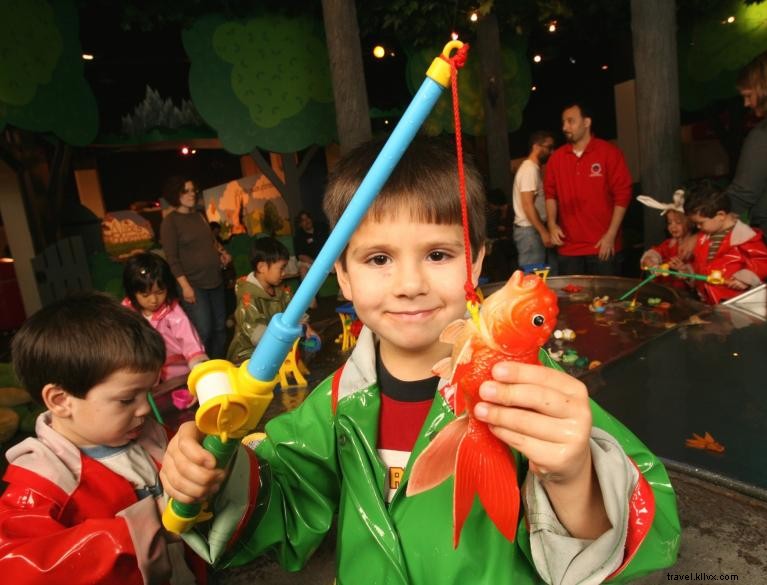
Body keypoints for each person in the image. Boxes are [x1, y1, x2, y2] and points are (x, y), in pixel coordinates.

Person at [160, 137, 680, 585]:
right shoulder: (337, 401)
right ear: (342, 275)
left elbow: (630, 527)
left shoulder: (528, 388)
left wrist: (573, 476)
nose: (410, 286)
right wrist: (211, 473)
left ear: (475, 260)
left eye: (438, 254)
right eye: (378, 258)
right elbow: (283, 497)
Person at [0, 292, 206, 584]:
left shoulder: (149, 434)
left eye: (147, 392)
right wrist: (144, 531)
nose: (146, 408)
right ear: (60, 401)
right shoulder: (44, 481)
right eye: (126, 399)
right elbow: (16, 565)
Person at [544, 102, 633, 275]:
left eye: (571, 121)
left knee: (607, 301)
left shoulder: (609, 152)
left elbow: (623, 195)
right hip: (568, 248)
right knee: (572, 301)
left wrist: (611, 235)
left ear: (587, 122)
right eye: (563, 122)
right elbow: (550, 194)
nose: (565, 127)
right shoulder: (556, 158)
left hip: (602, 246)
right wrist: (552, 225)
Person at [160, 176, 230, 359]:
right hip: (194, 286)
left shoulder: (199, 216)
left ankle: (218, 367)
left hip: (215, 280)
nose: (192, 194)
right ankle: (202, 372)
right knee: (203, 331)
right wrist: (185, 287)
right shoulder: (170, 222)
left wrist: (221, 253)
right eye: (186, 191)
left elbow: (212, 242)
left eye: (193, 190)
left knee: (220, 329)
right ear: (176, 194)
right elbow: (172, 259)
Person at [122, 252, 207, 400]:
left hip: (178, 372)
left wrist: (199, 378)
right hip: (144, 373)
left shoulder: (173, 313)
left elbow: (191, 344)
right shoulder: (126, 313)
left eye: (160, 292)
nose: (154, 300)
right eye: (145, 295)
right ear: (132, 293)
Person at [726, 50, 767, 282]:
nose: (746, 103)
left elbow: (741, 195)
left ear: (765, 88)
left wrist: (699, 218)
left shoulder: (766, 135)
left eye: (748, 95)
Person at [675, 182, 767, 304]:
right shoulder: (704, 238)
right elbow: (701, 264)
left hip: (737, 302)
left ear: (721, 215)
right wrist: (689, 273)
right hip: (709, 301)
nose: (697, 227)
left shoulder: (745, 236)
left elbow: (764, 261)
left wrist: (745, 279)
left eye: (701, 223)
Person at [226, 236, 317, 364]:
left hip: (277, 346)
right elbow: (255, 333)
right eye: (281, 268)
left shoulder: (281, 289)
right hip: (248, 355)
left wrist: (306, 328)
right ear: (262, 267)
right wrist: (288, 338)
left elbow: (294, 311)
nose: (284, 273)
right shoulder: (247, 297)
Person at [512, 130, 556, 271]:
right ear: (536, 146)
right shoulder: (529, 169)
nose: (551, 152)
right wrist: (543, 231)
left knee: (539, 277)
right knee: (533, 279)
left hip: (532, 230)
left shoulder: (534, 169)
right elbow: (527, 205)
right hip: (529, 232)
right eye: (548, 147)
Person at [637, 190, 698, 291]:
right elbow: (655, 253)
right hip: (666, 290)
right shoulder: (669, 244)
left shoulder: (697, 245)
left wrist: (685, 270)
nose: (673, 227)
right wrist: (650, 261)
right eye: (669, 223)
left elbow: (697, 273)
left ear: (690, 223)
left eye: (678, 222)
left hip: (685, 294)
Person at [483, 187, 517, 282]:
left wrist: (505, 230)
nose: (489, 206)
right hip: (501, 244)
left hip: (511, 243)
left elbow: (513, 228)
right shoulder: (496, 213)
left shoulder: (512, 211)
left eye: (490, 204)